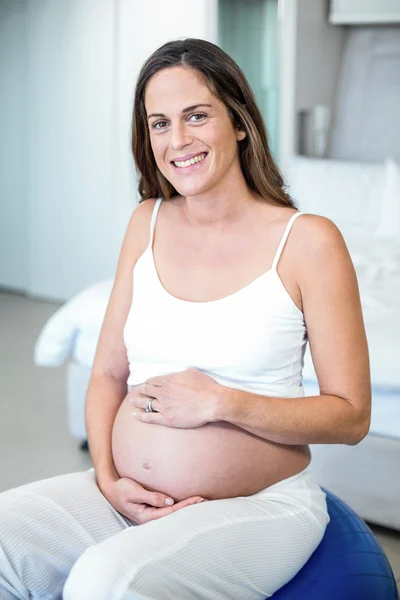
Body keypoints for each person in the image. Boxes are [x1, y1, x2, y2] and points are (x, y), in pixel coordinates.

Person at [0, 38, 371, 600]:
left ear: (240, 121)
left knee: (106, 585)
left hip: (261, 505)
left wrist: (223, 403)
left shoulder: (307, 241)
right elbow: (106, 375)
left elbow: (351, 417)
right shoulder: (145, 222)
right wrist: (109, 478)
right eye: (159, 123)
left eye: (197, 116)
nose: (178, 141)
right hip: (129, 498)